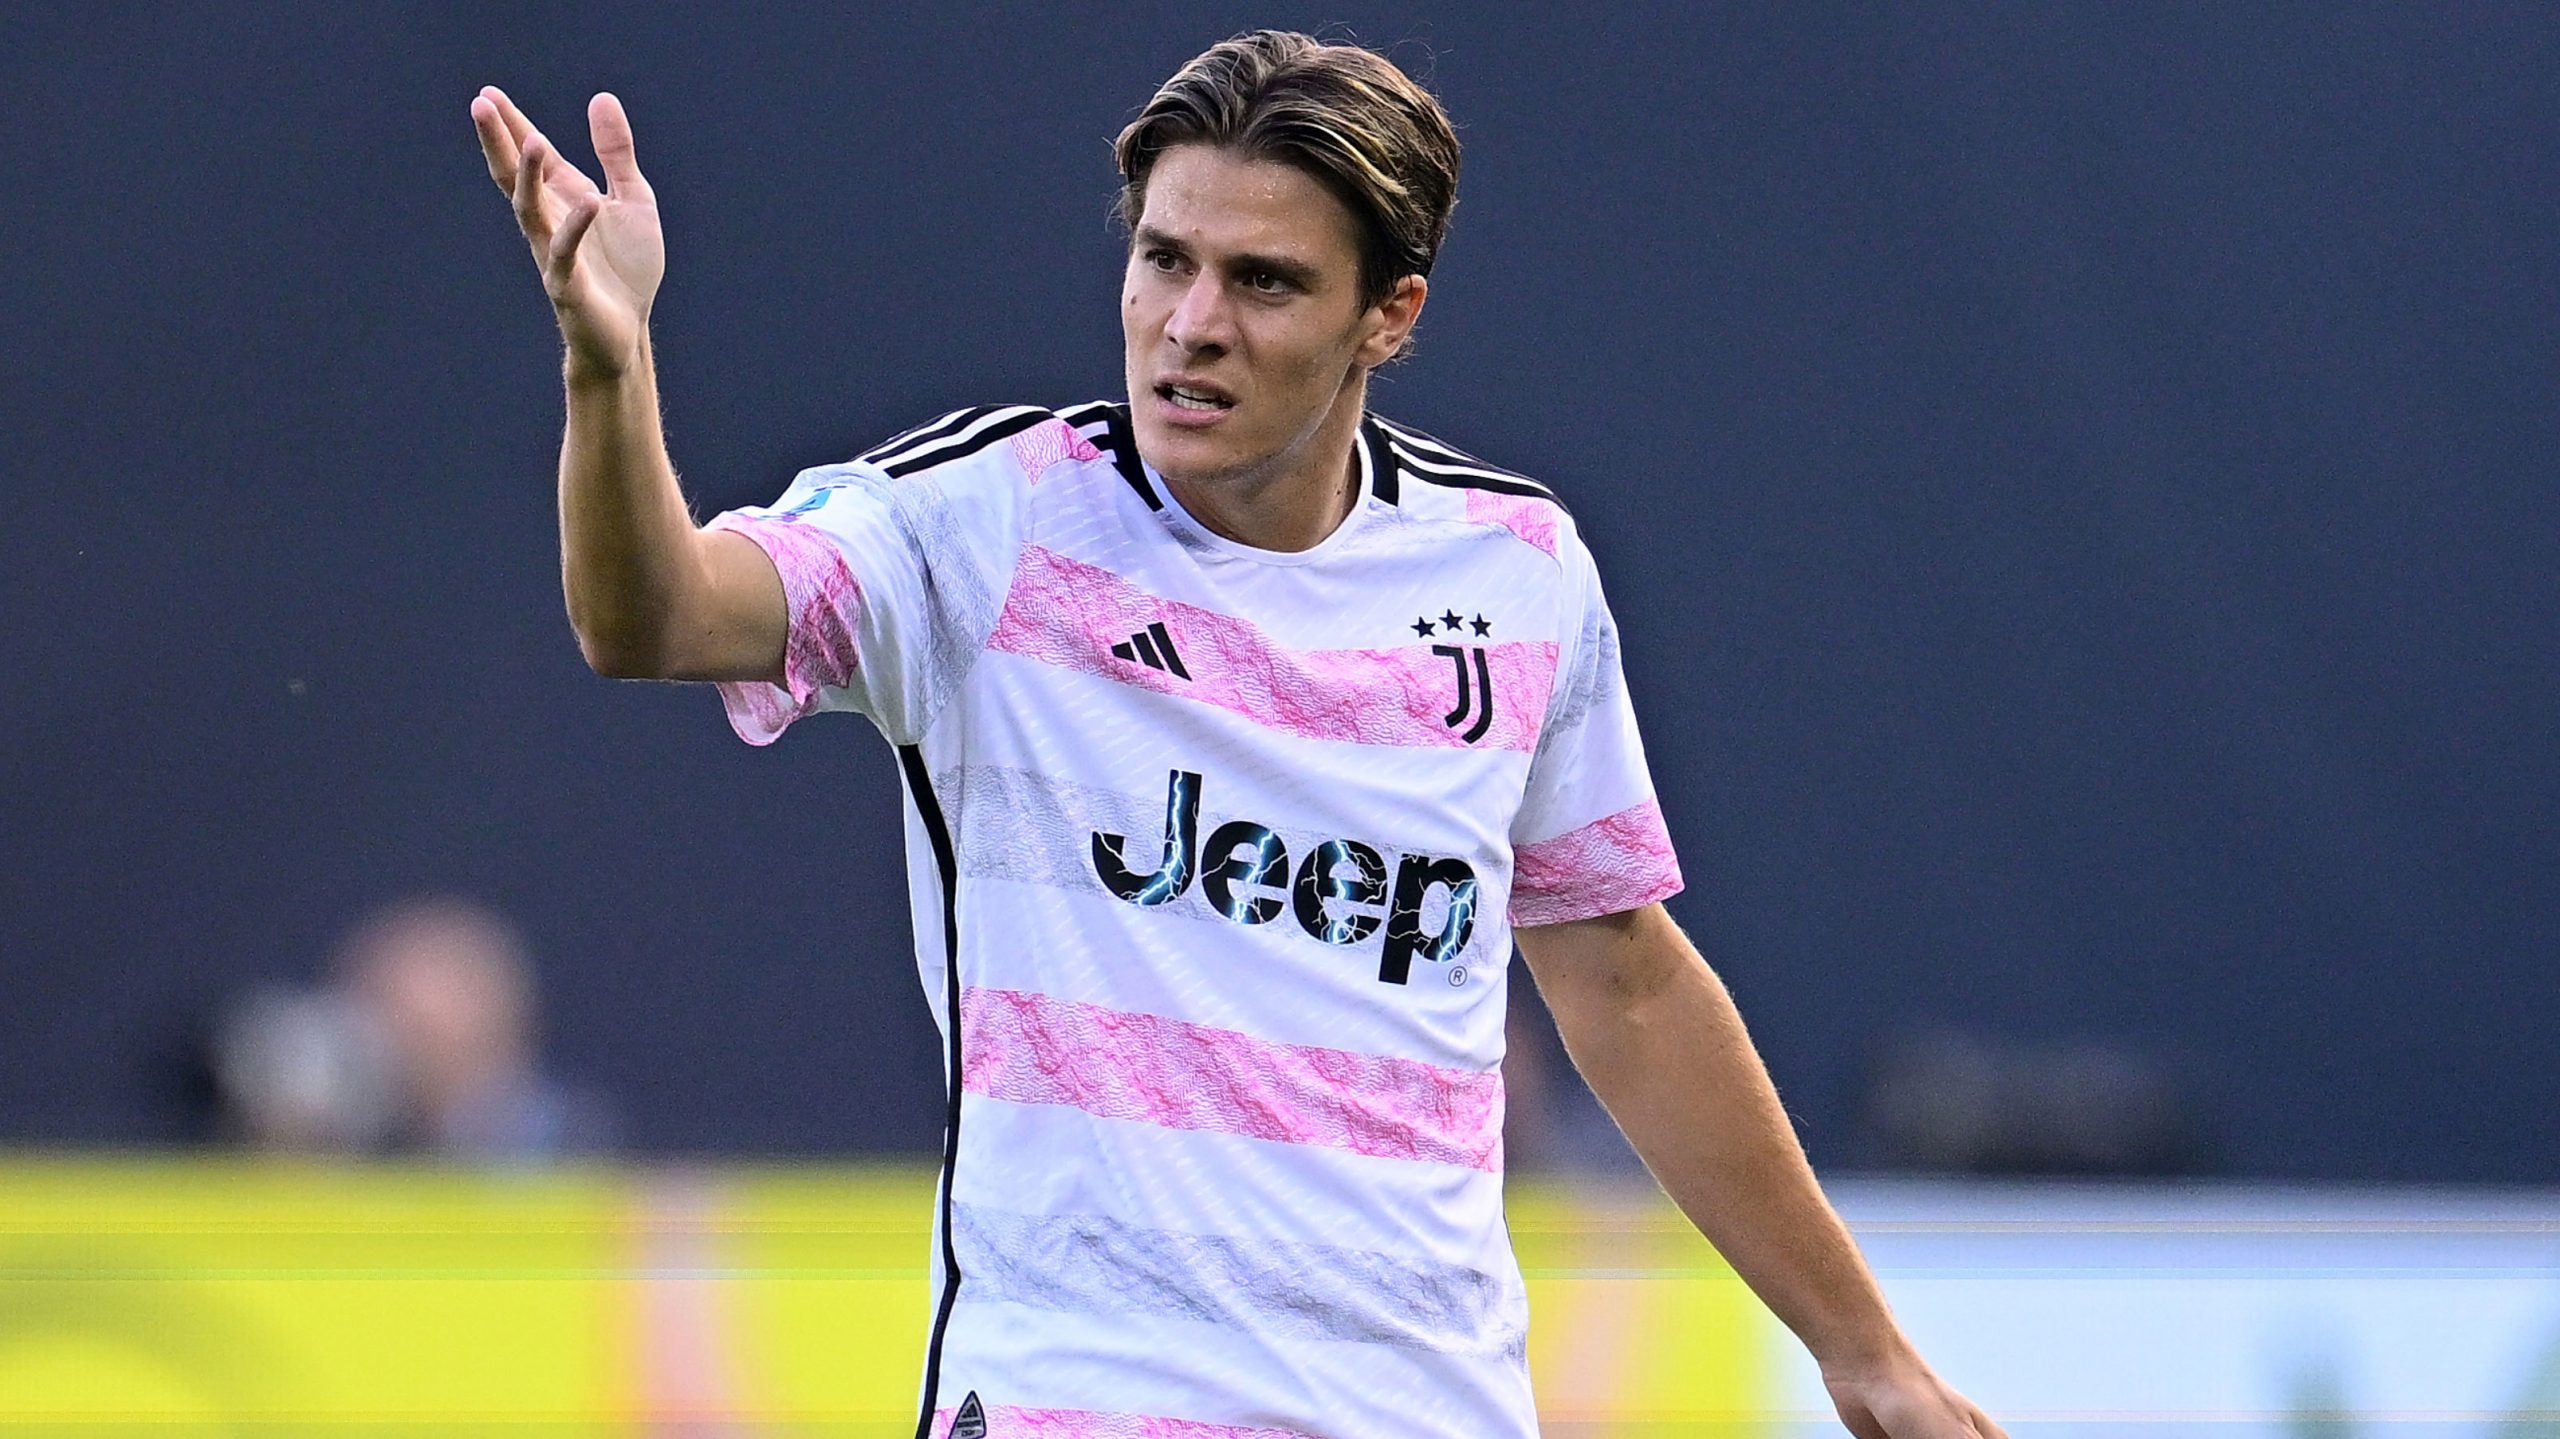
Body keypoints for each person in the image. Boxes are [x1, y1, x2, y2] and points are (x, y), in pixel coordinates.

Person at [470, 31, 2005, 1439]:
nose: (1189, 326)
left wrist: (1865, 1351)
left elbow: (1626, 981)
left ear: (1387, 316)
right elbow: (655, 619)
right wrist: (610, 366)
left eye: (1263, 282)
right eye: (1163, 260)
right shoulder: (987, 527)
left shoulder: (1516, 574)